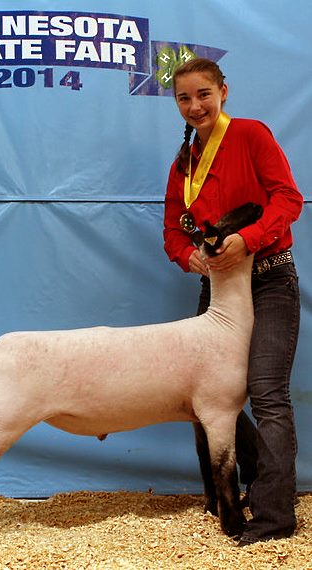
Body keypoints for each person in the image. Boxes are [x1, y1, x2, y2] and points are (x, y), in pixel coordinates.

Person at [163, 57, 303, 546]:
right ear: (176, 104)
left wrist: (251, 237)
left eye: (204, 94)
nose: (195, 105)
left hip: (268, 279)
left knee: (266, 393)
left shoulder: (251, 135)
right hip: (217, 292)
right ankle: (225, 496)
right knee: (209, 401)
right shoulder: (183, 165)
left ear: (224, 92)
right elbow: (172, 235)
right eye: (184, 97)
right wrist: (190, 259)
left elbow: (288, 198)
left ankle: (273, 516)